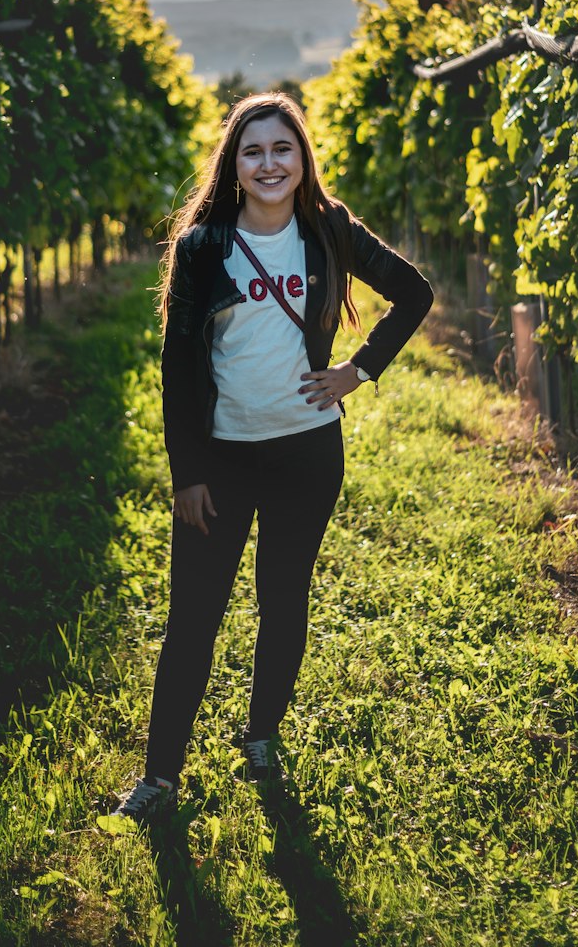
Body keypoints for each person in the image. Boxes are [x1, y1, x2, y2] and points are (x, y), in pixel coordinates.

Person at [113, 92, 433, 822]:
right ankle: (160, 777)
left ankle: (261, 738)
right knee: (195, 617)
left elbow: (414, 293)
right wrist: (187, 472)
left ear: (301, 158)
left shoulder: (328, 228)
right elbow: (178, 364)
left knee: (283, 600)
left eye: (281, 149)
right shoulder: (206, 246)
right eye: (253, 151)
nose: (268, 163)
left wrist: (358, 369)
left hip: (307, 455)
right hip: (221, 462)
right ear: (234, 162)